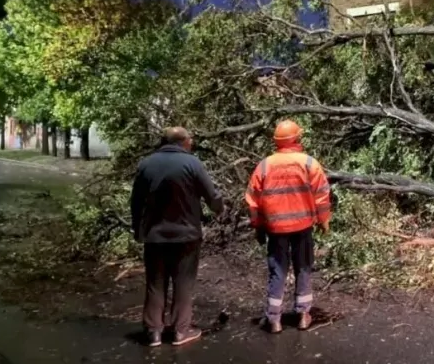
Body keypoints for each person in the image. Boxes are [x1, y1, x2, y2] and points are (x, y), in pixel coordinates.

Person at [130, 126, 225, 347]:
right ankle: (180, 331)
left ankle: (153, 332)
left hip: (154, 236)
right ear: (183, 142)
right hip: (186, 235)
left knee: (155, 283)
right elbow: (211, 195)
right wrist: (219, 209)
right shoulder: (192, 164)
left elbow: (136, 202)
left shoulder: (146, 164)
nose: (191, 142)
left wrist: (138, 229)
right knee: (183, 283)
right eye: (190, 139)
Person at [245, 119, 332, 333]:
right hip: (303, 226)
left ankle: (274, 318)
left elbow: (253, 200)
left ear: (277, 141)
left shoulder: (264, 165)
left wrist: (257, 226)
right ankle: (303, 315)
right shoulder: (309, 163)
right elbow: (321, 194)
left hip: (275, 228)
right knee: (303, 266)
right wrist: (324, 221)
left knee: (278, 270)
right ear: (297, 138)